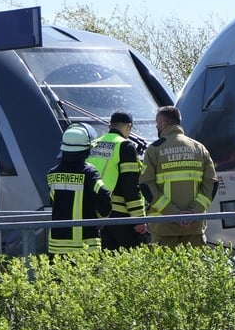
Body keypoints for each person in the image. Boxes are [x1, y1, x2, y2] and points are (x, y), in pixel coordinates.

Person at [139, 105, 217, 248]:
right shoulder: (199, 148)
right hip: (194, 227)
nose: (157, 128)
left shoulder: (154, 149)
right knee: (194, 267)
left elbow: (146, 185)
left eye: (157, 124)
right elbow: (211, 184)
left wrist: (174, 213)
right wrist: (193, 212)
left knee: (166, 269)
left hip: (164, 227)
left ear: (163, 123)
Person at [46, 123, 112, 256]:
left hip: (57, 245)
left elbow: (53, 202)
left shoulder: (52, 174)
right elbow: (104, 196)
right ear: (86, 150)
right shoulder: (89, 173)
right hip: (86, 244)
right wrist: (101, 219)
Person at [87, 110, 148, 250]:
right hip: (120, 216)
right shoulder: (125, 146)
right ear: (129, 127)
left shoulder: (94, 144)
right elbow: (131, 187)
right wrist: (139, 219)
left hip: (96, 214)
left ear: (109, 126)